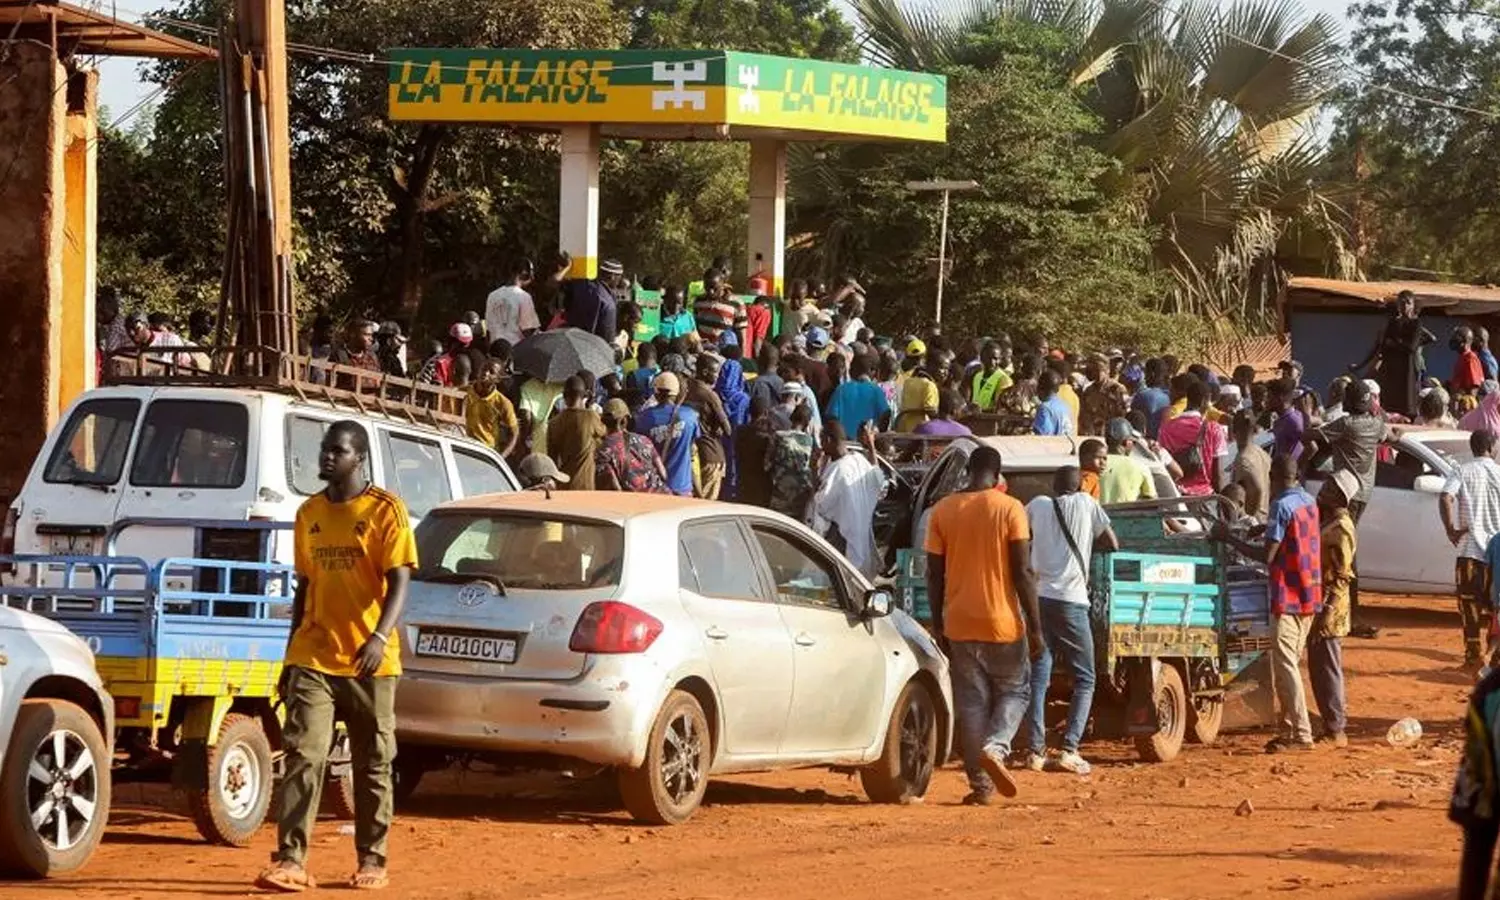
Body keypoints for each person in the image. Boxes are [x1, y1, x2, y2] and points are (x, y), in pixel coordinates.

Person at [254, 421, 415, 893]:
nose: (327, 458)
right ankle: (291, 859)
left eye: (337, 451)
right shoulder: (309, 514)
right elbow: (304, 586)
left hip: (371, 660)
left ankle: (372, 858)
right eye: (325, 450)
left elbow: (401, 578)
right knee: (304, 753)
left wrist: (379, 637)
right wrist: (289, 658)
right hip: (314, 654)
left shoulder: (387, 510)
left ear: (358, 458)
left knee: (374, 761)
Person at [925, 446, 1041, 805]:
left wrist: (939, 622)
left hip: (959, 622)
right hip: (1002, 622)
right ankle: (997, 746)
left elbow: (933, 573)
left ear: (968, 471)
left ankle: (981, 786)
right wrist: (1035, 626)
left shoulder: (942, 510)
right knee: (1016, 691)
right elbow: (1022, 572)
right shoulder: (1010, 509)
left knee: (972, 703)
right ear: (998, 473)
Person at [1214, 454, 1322, 753]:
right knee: (1286, 665)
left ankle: (1301, 733)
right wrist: (1262, 530)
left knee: (1286, 667)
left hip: (1286, 596)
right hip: (1309, 595)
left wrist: (1228, 539)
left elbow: (1268, 556)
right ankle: (1289, 730)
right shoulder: (1307, 501)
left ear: (1273, 477)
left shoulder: (1279, 505)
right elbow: (1293, 535)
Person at [1019, 465, 1119, 774]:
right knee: (1086, 677)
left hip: (1038, 599)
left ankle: (1035, 751)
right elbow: (1112, 542)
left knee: (1039, 676)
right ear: (1080, 486)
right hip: (1072, 601)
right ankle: (1069, 749)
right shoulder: (1087, 504)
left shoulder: (1036, 505)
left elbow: (1022, 537)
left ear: (1053, 485)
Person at [1441, 428, 1500, 670]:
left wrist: (1451, 529)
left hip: (1471, 550)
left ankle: (1473, 654)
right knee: (1497, 606)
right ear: (1491, 446)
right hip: (1497, 550)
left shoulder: (1462, 471)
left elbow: (1446, 497)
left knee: (1469, 604)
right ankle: (1495, 657)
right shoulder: (1499, 472)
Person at [1311, 470, 1359, 749]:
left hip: (1330, 605)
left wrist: (1326, 611)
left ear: (1340, 496)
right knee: (1320, 666)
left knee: (1327, 666)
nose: (1324, 488)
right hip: (1321, 600)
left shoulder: (1341, 527)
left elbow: (1342, 575)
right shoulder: (1329, 521)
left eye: (1330, 486)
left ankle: (1335, 728)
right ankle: (1330, 723)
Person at [812, 421, 888, 578]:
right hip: (863, 546)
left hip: (844, 544)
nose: (821, 446)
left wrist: (814, 468)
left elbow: (820, 505)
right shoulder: (859, 460)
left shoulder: (837, 471)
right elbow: (877, 477)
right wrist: (871, 446)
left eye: (822, 440)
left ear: (828, 440)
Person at [1352, 290, 1434, 419]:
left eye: (1408, 303)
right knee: (1388, 402)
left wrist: (1395, 342)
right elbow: (1383, 345)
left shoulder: (1416, 324)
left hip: (1407, 369)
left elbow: (1411, 347)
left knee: (1406, 403)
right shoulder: (1393, 323)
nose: (1404, 306)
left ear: (1413, 305)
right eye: (1401, 302)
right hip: (1390, 368)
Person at [1157, 376, 1226, 497]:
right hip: (1204, 496)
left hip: (1175, 496)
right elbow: (1217, 475)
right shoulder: (1214, 429)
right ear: (1204, 401)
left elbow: (1163, 462)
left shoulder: (1166, 428)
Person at [596, 399, 669, 493]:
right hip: (661, 496)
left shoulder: (603, 450)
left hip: (635, 502)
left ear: (603, 421)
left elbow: (614, 486)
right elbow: (663, 474)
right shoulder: (644, 440)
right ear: (625, 420)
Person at [548, 375, 606, 490]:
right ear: (585, 395)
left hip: (563, 483)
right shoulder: (591, 417)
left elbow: (552, 458)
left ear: (564, 396)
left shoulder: (554, 423)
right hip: (585, 484)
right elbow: (604, 435)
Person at [767, 403, 818, 519]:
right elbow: (812, 466)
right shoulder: (809, 441)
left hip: (780, 491)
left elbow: (767, 465)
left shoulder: (778, 436)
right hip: (801, 495)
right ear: (807, 422)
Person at [825, 354, 891, 436]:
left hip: (845, 442)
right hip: (868, 442)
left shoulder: (841, 389)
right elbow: (885, 415)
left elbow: (831, 416)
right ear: (873, 371)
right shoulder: (876, 391)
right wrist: (875, 432)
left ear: (851, 371)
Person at [465, 359, 519, 458]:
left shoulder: (503, 403)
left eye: (491, 372)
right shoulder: (463, 392)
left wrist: (500, 457)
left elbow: (514, 433)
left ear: (498, 379)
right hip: (462, 445)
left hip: (485, 451)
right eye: (484, 369)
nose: (485, 373)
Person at [563, 258, 623, 344]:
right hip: (592, 346)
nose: (619, 280)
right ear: (612, 276)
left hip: (572, 339)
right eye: (619, 276)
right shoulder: (608, 303)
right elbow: (607, 336)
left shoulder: (582, 286)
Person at [1099, 419, 1158, 505]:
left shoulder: (1094, 464)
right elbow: (1152, 501)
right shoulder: (1141, 467)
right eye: (1133, 441)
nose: (1133, 445)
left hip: (1095, 517)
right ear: (1126, 442)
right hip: (1126, 517)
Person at [484, 259, 540, 347]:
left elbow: (488, 330)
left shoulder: (492, 295)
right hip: (516, 349)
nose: (532, 278)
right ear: (524, 272)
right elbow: (527, 330)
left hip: (496, 350)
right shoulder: (524, 297)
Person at [734, 395, 778, 507]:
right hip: (762, 487)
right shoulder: (769, 436)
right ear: (766, 412)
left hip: (743, 484)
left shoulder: (740, 432)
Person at [1229, 410, 1272, 521]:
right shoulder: (1262, 454)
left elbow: (1257, 489)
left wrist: (1249, 518)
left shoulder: (1243, 460)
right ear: (1255, 430)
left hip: (1254, 523)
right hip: (1265, 517)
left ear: (1233, 430)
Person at [693, 269, 749, 350]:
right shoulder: (699, 301)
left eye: (714, 288)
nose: (710, 291)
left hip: (725, 352)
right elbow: (696, 327)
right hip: (704, 352)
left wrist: (742, 356)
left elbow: (741, 335)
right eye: (707, 287)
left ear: (722, 285)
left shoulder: (736, 303)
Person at [895, 341, 940, 431]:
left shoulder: (905, 380)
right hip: (922, 432)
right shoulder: (929, 384)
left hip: (903, 429)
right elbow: (930, 410)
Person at [1079, 355, 1129, 436]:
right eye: (1095, 370)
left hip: (1113, 434)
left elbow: (1125, 413)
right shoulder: (1088, 391)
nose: (1098, 374)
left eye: (1101, 370)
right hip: (1094, 433)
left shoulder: (1118, 389)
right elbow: (1084, 415)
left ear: (1107, 371)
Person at [1131, 358, 1173, 439]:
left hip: (1143, 442)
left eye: (1146, 373)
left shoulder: (1141, 396)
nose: (1145, 378)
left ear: (1152, 374)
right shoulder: (1171, 396)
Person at [968, 341, 1013, 413]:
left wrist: (981, 410)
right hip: (974, 420)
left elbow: (1002, 410)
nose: (992, 362)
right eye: (989, 358)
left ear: (1000, 359)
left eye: (995, 359)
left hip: (991, 421)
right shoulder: (977, 376)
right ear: (982, 357)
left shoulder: (1004, 379)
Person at [1269, 378, 1305, 462]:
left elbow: (1311, 447)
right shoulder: (1279, 420)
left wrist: (1298, 469)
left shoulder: (1294, 420)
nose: (1267, 401)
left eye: (1270, 397)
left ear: (1280, 398)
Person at [1033, 370, 1074, 436]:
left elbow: (1043, 435)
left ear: (1040, 388)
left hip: (1052, 445)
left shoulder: (1044, 408)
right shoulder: (1066, 406)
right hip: (1067, 444)